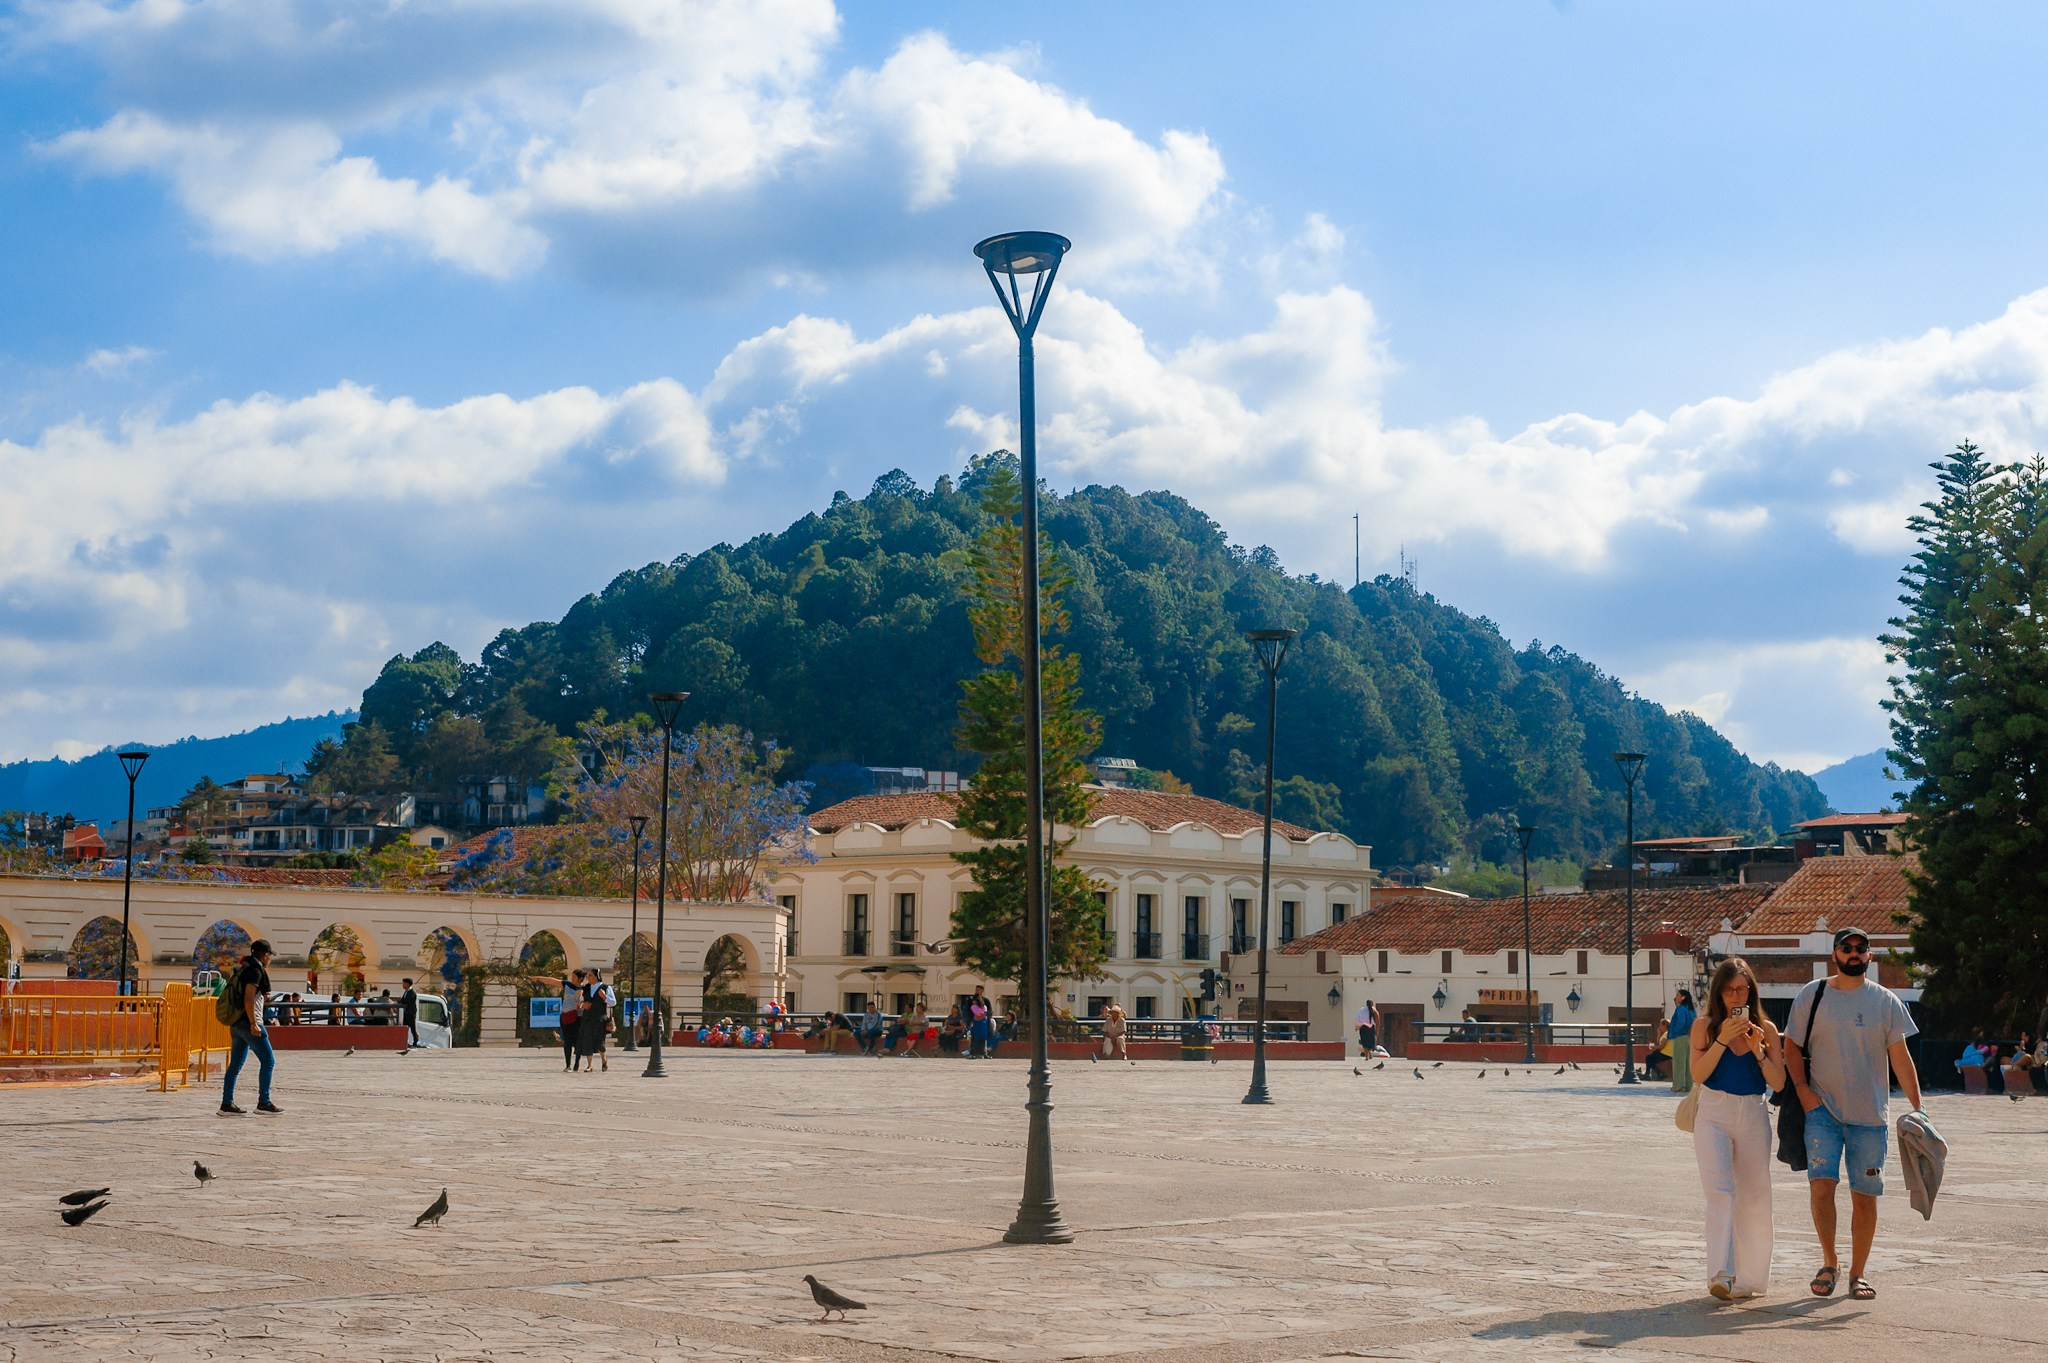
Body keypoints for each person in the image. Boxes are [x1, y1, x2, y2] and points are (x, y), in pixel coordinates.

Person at [1785, 926, 1923, 1302]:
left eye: (1861, 949)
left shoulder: (1886, 1001)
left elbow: (1901, 1058)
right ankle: (1830, 1262)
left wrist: (1919, 1108)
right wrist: (1803, 1091)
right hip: (1821, 1111)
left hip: (1870, 1118)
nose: (1854, 954)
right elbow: (1791, 1047)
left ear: (1869, 957)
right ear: (1834, 954)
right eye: (1847, 948)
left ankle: (1858, 1273)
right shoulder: (1811, 995)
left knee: (1865, 1195)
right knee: (1821, 1186)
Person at [1689, 957, 1785, 1300]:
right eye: (1730, 990)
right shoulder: (1704, 1026)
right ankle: (1720, 1273)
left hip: (1753, 1112)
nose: (1736, 996)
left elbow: (1778, 1081)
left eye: (1742, 989)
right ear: (1719, 993)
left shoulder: (1767, 1030)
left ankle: (1752, 1280)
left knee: (1756, 1196)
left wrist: (1758, 1049)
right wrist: (1721, 1041)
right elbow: (1698, 1074)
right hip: (1714, 1111)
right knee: (1720, 1191)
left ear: (1751, 990)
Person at [219, 939, 282, 1117]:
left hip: (236, 1024)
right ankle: (264, 1102)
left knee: (235, 1066)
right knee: (268, 1061)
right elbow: (248, 998)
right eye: (269, 955)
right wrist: (254, 1023)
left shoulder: (244, 968)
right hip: (249, 1023)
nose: (269, 958)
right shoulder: (255, 971)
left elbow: (251, 997)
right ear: (264, 955)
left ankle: (226, 1104)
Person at [579, 968, 613, 1072]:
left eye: (590, 975)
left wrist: (605, 997)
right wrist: (582, 1005)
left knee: (600, 1042)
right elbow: (580, 1002)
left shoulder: (605, 987)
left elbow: (613, 1002)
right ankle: (590, 1065)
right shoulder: (586, 988)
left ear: (596, 976)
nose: (588, 977)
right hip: (588, 1018)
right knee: (587, 1041)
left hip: (600, 1019)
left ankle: (604, 1061)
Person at [1668, 990, 1697, 1091]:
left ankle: (1679, 1086)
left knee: (1679, 1062)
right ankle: (1689, 1085)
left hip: (1680, 1037)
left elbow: (1681, 1021)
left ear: (1683, 997)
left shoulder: (1681, 1009)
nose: (1676, 997)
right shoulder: (1692, 1010)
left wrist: (1675, 1031)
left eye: (1678, 995)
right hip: (1690, 1037)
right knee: (1688, 1062)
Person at [558, 969, 584, 1072]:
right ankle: (568, 1065)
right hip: (565, 1017)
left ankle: (577, 1062)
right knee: (567, 1042)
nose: (572, 978)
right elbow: (553, 981)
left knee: (578, 1041)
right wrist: (539, 978)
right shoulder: (567, 985)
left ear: (580, 978)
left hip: (578, 1018)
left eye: (574, 976)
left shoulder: (585, 989)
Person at [966, 987, 993, 1059]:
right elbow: (968, 1011)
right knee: (974, 1037)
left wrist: (984, 1015)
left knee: (984, 1037)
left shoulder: (986, 1001)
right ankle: (973, 1053)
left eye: (979, 989)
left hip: (984, 1021)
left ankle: (983, 1053)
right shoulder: (970, 999)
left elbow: (990, 1011)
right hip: (974, 1021)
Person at [399, 978, 419, 1050]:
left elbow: (408, 1002)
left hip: (410, 1013)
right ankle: (404, 1042)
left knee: (412, 1028)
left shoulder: (412, 992)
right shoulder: (406, 992)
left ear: (407, 984)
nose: (403, 985)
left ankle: (415, 1042)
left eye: (404, 983)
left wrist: (402, 1001)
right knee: (405, 1028)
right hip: (406, 1013)